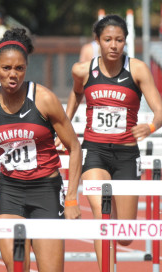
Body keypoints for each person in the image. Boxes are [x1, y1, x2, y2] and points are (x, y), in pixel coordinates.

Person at [0, 28, 82, 272]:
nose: (13, 75)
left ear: (26, 68)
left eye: (19, 69)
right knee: (16, 267)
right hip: (10, 191)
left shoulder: (43, 99)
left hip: (45, 190)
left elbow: (74, 147)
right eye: (6, 68)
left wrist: (72, 197)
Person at [65, 15, 162, 272]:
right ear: (97, 41)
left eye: (119, 40)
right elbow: (76, 93)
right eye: (107, 39)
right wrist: (64, 124)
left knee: (125, 234)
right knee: (102, 216)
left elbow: (160, 110)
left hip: (127, 155)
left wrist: (151, 126)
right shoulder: (82, 70)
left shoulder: (138, 69)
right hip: (94, 150)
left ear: (125, 42)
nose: (113, 45)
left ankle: (118, 227)